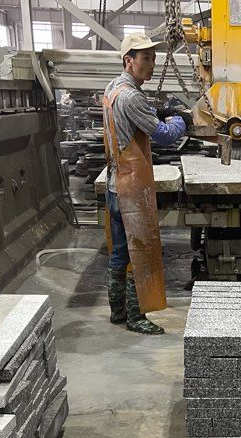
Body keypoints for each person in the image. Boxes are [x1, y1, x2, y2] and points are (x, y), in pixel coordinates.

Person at [102, 32, 188, 335]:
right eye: (146, 58)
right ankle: (136, 317)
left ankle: (118, 312)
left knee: (120, 252)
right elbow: (164, 135)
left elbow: (138, 117)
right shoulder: (131, 96)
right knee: (140, 254)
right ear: (129, 60)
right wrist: (181, 120)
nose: (152, 64)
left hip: (114, 184)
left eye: (154, 58)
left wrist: (156, 113)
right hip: (131, 190)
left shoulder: (113, 89)